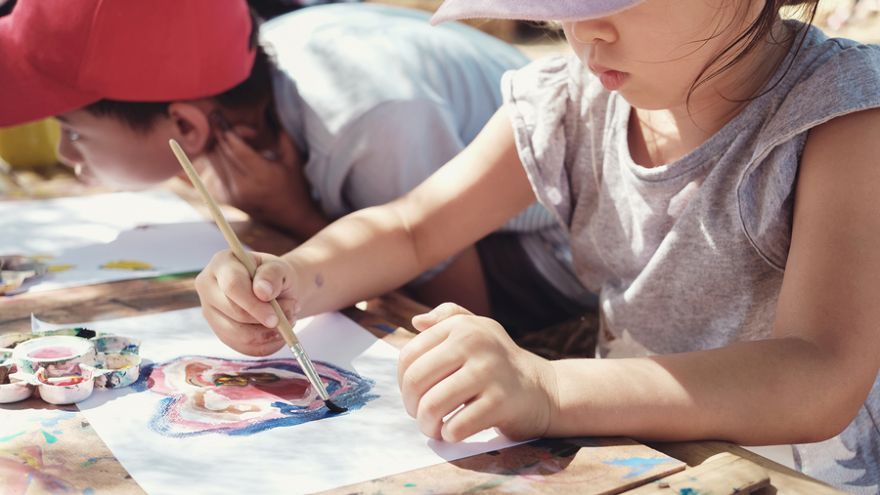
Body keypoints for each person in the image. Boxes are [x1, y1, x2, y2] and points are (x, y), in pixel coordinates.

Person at [195, 0, 880, 491]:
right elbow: (414, 225)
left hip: (788, 473)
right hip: (640, 454)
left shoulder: (842, 113)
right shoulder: (573, 100)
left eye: (614, 0)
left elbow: (820, 372)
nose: (584, 33)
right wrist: (291, 276)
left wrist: (549, 385)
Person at [0, 0, 592, 329]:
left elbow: (457, 310)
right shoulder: (257, 67)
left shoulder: (370, 118)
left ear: (186, 126)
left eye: (72, 130)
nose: (62, 155)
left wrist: (293, 215)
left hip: (556, 248)